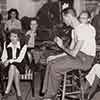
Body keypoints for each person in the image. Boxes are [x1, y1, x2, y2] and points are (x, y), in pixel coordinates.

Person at [42, 8, 96, 100]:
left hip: (85, 60)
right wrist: (55, 56)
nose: (63, 21)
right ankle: (47, 92)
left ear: (69, 16)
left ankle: (49, 96)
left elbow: (73, 53)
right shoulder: (74, 31)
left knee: (55, 67)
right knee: (51, 62)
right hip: (77, 56)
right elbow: (70, 51)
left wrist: (62, 46)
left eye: (64, 18)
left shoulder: (83, 29)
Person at [1, 29, 27, 100]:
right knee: (13, 68)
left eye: (14, 36)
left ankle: (7, 91)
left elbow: (20, 59)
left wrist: (9, 60)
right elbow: (4, 55)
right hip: (9, 66)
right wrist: (4, 61)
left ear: (18, 37)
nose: (12, 38)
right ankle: (19, 94)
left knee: (13, 66)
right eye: (11, 36)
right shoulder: (6, 43)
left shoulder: (23, 45)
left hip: (20, 64)